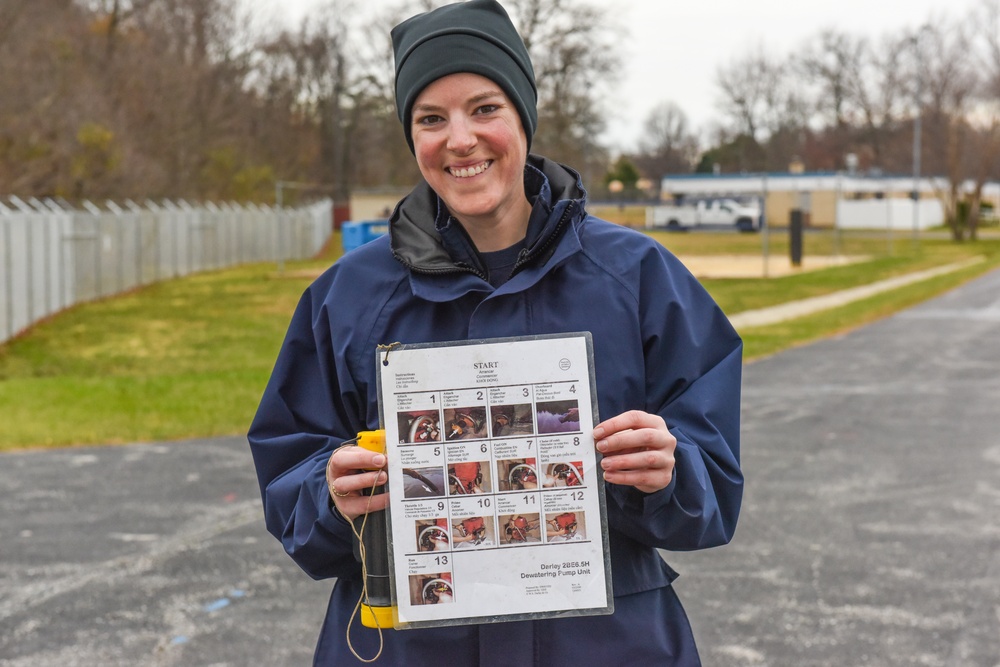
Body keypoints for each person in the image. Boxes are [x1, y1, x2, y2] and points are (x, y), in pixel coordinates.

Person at [247, 1, 743, 664]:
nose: (459, 139)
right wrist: (329, 494)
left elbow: (714, 483)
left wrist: (668, 469)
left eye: (484, 109)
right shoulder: (347, 297)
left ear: (523, 119)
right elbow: (290, 474)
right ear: (411, 135)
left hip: (608, 645)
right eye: (431, 118)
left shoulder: (639, 278)